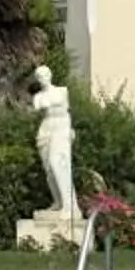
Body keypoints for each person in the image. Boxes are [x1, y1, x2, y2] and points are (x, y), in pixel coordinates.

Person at [32, 66, 79, 224]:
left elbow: (68, 112)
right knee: (49, 169)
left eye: (44, 74)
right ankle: (58, 202)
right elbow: (38, 108)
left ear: (50, 75)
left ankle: (70, 205)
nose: (42, 77)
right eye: (39, 76)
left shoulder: (62, 91)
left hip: (61, 127)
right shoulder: (38, 97)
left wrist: (70, 129)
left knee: (58, 163)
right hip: (46, 129)